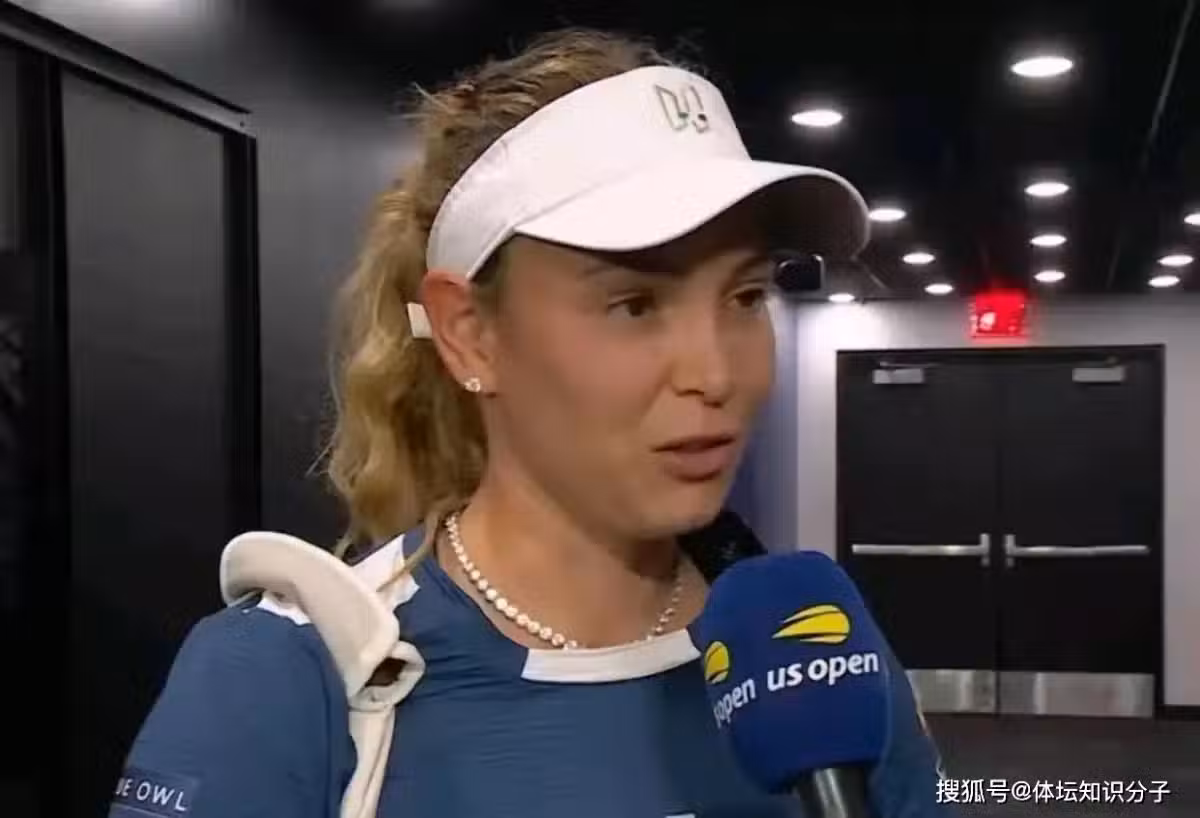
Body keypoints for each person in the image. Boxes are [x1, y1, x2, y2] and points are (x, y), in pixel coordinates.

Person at [110, 28, 949, 818]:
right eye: (635, 304)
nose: (717, 374)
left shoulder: (816, 650)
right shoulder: (284, 678)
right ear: (471, 334)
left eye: (744, 296)